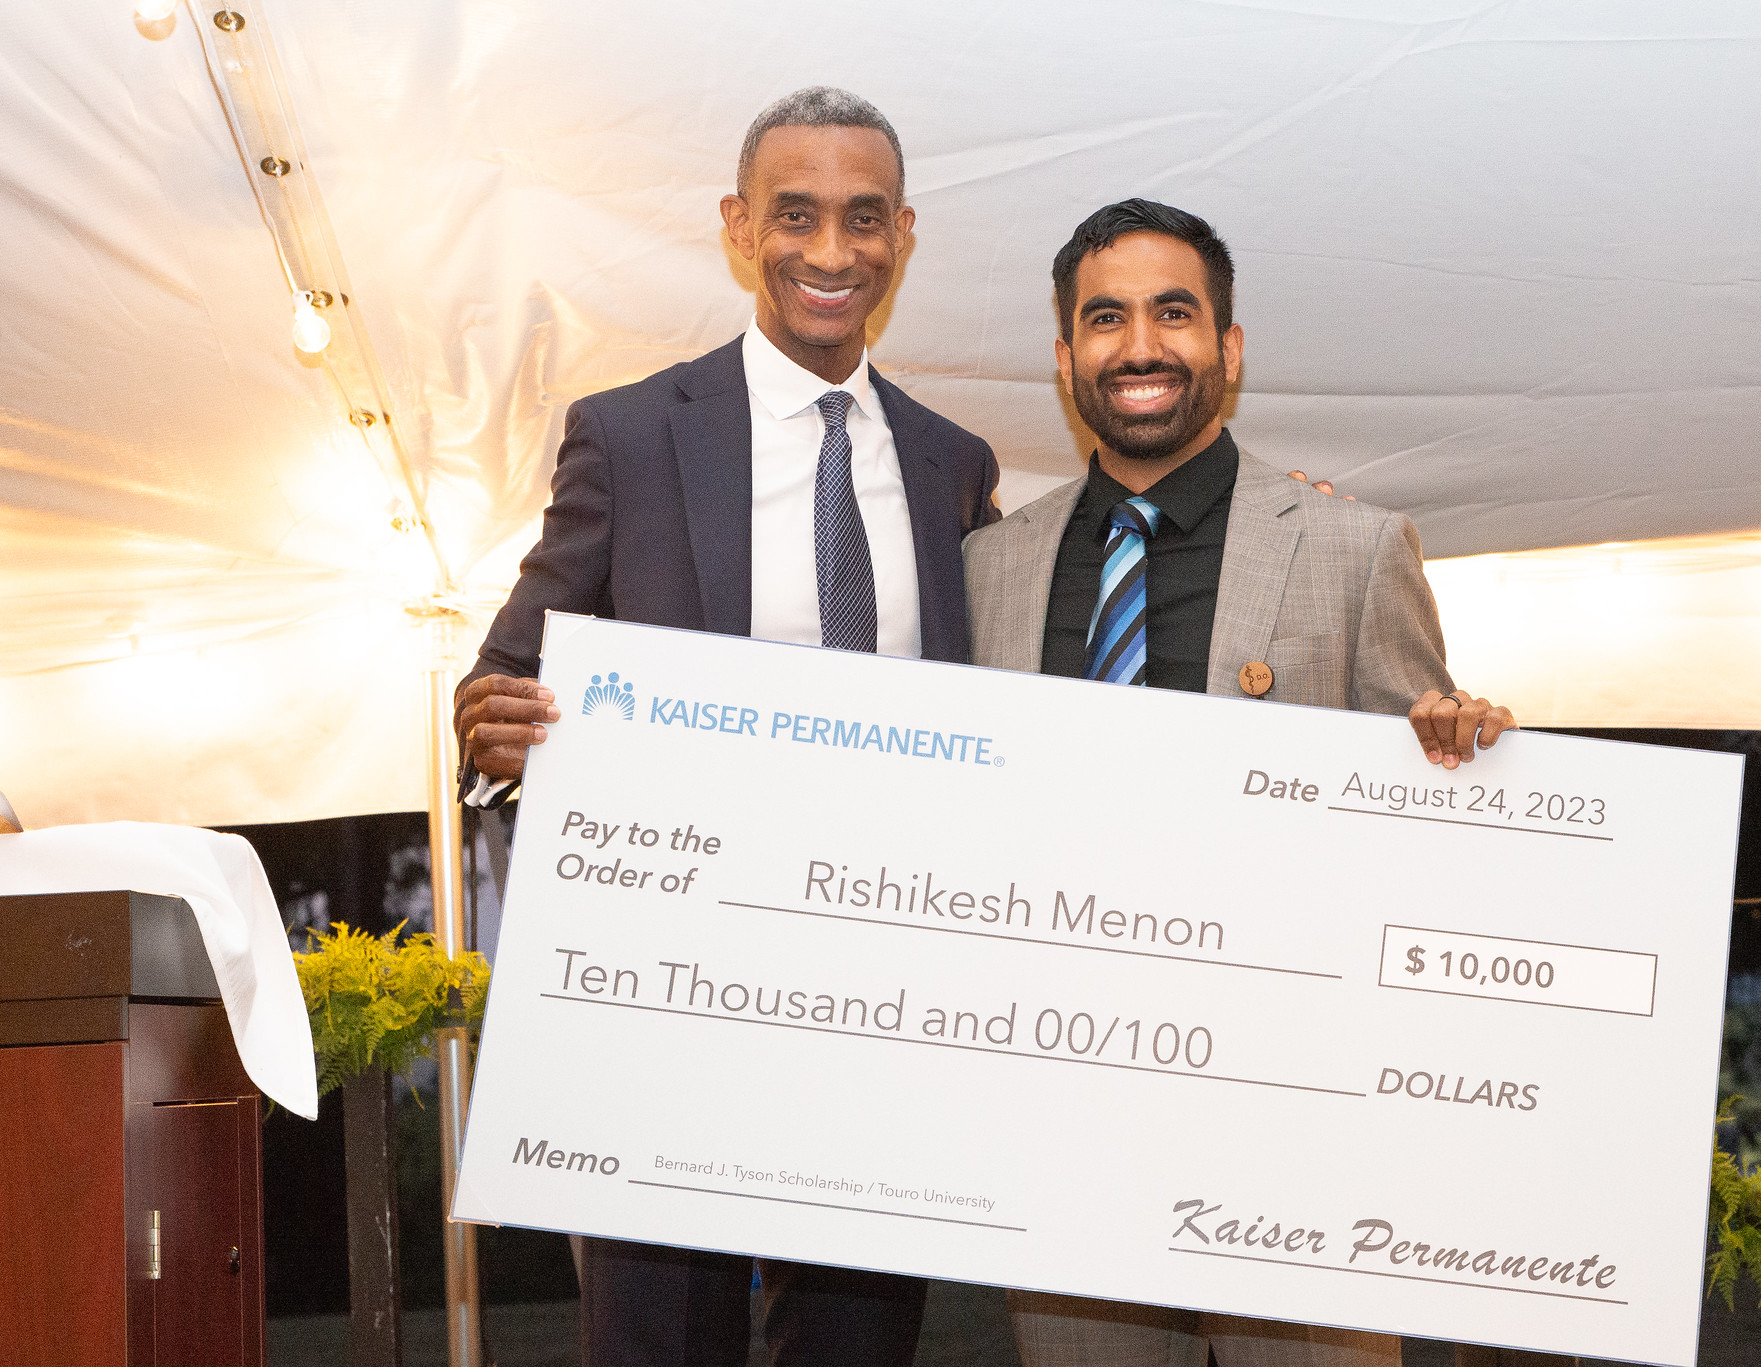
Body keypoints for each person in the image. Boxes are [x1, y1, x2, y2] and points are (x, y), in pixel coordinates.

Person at [455, 87, 999, 1367]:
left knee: (857, 1341)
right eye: (795, 215)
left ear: (903, 234)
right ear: (737, 225)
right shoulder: (633, 435)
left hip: (884, 993)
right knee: (660, 1344)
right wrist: (494, 730)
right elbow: (506, 675)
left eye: (863, 219)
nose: (830, 251)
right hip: (671, 995)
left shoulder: (950, 463)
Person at [963, 198, 1515, 1367]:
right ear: (1065, 357)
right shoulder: (990, 564)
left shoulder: (1355, 547)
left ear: (1229, 346)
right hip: (1068, 1121)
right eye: (1105, 318)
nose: (1142, 345)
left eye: (1176, 312)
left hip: (1299, 1123)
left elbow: (1433, 831)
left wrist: (1457, 759)